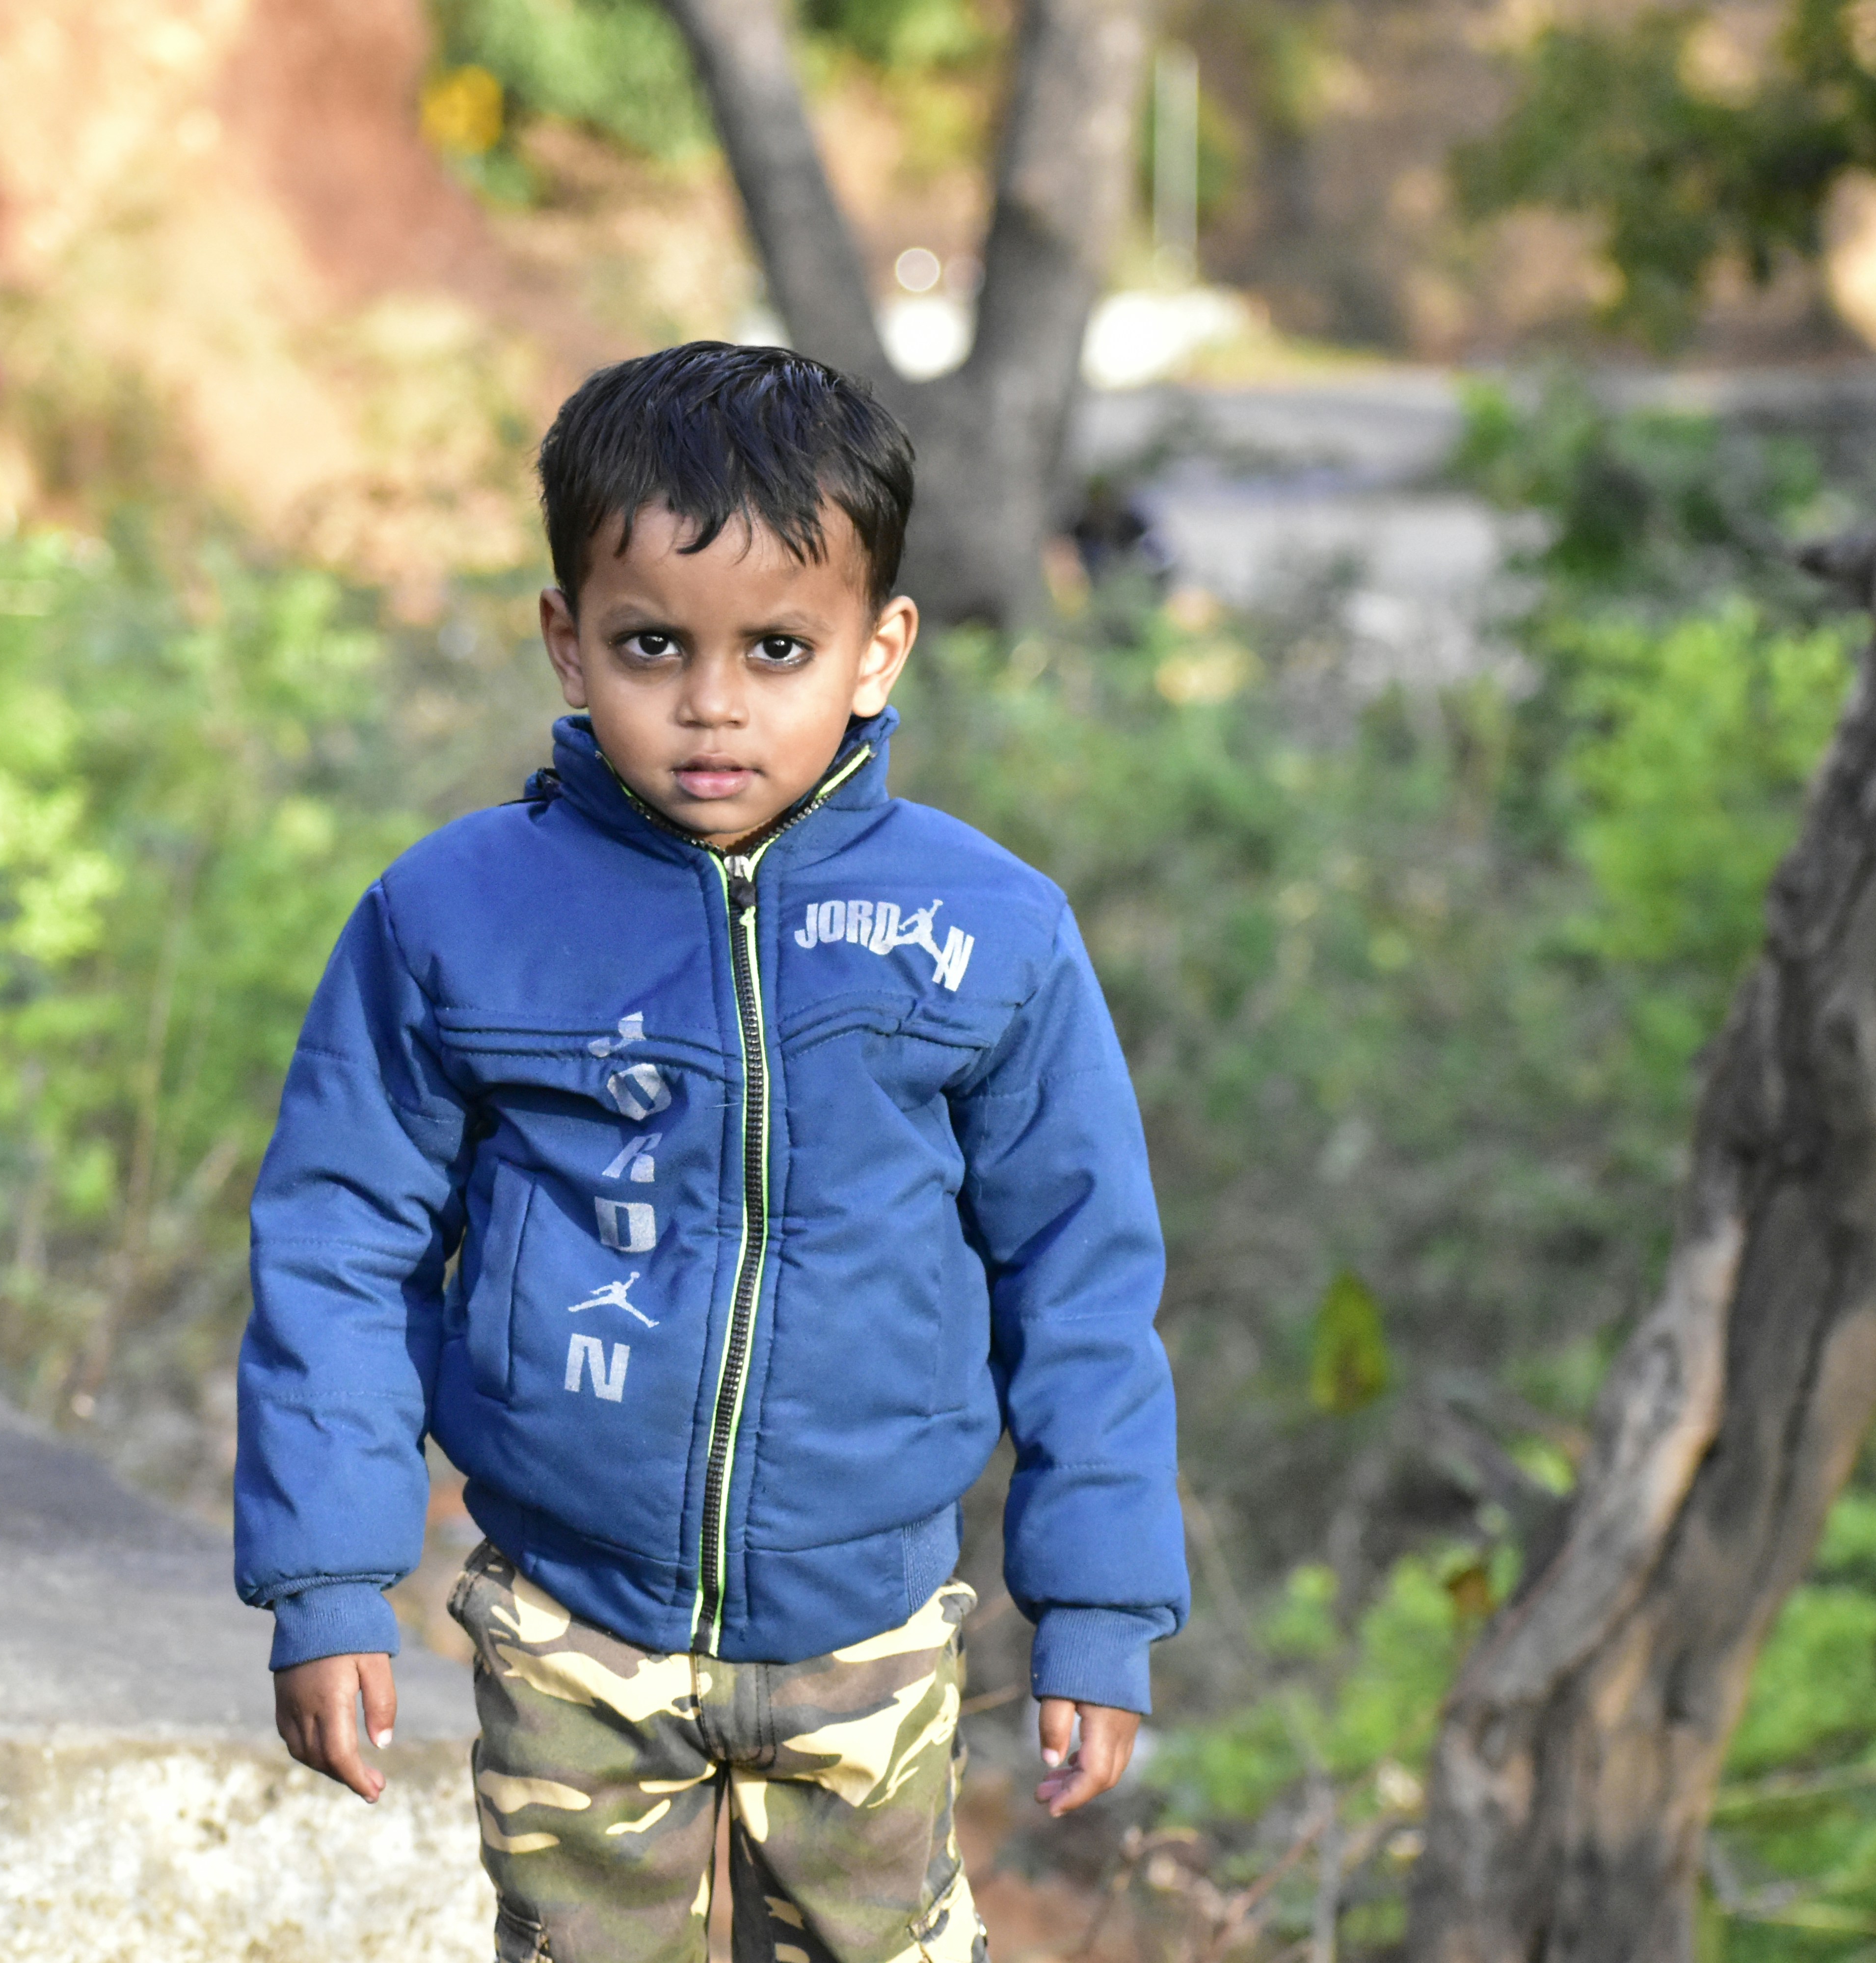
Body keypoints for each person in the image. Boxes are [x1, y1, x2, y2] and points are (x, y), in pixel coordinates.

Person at [234, 343, 1187, 1963]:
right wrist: (329, 1578)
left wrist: (1096, 1607)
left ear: (880, 651)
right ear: (566, 639)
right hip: (571, 1628)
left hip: (871, 1631)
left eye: (780, 648)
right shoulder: (452, 921)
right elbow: (343, 1244)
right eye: (653, 644)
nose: (714, 704)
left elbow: (1080, 1281)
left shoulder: (988, 935)